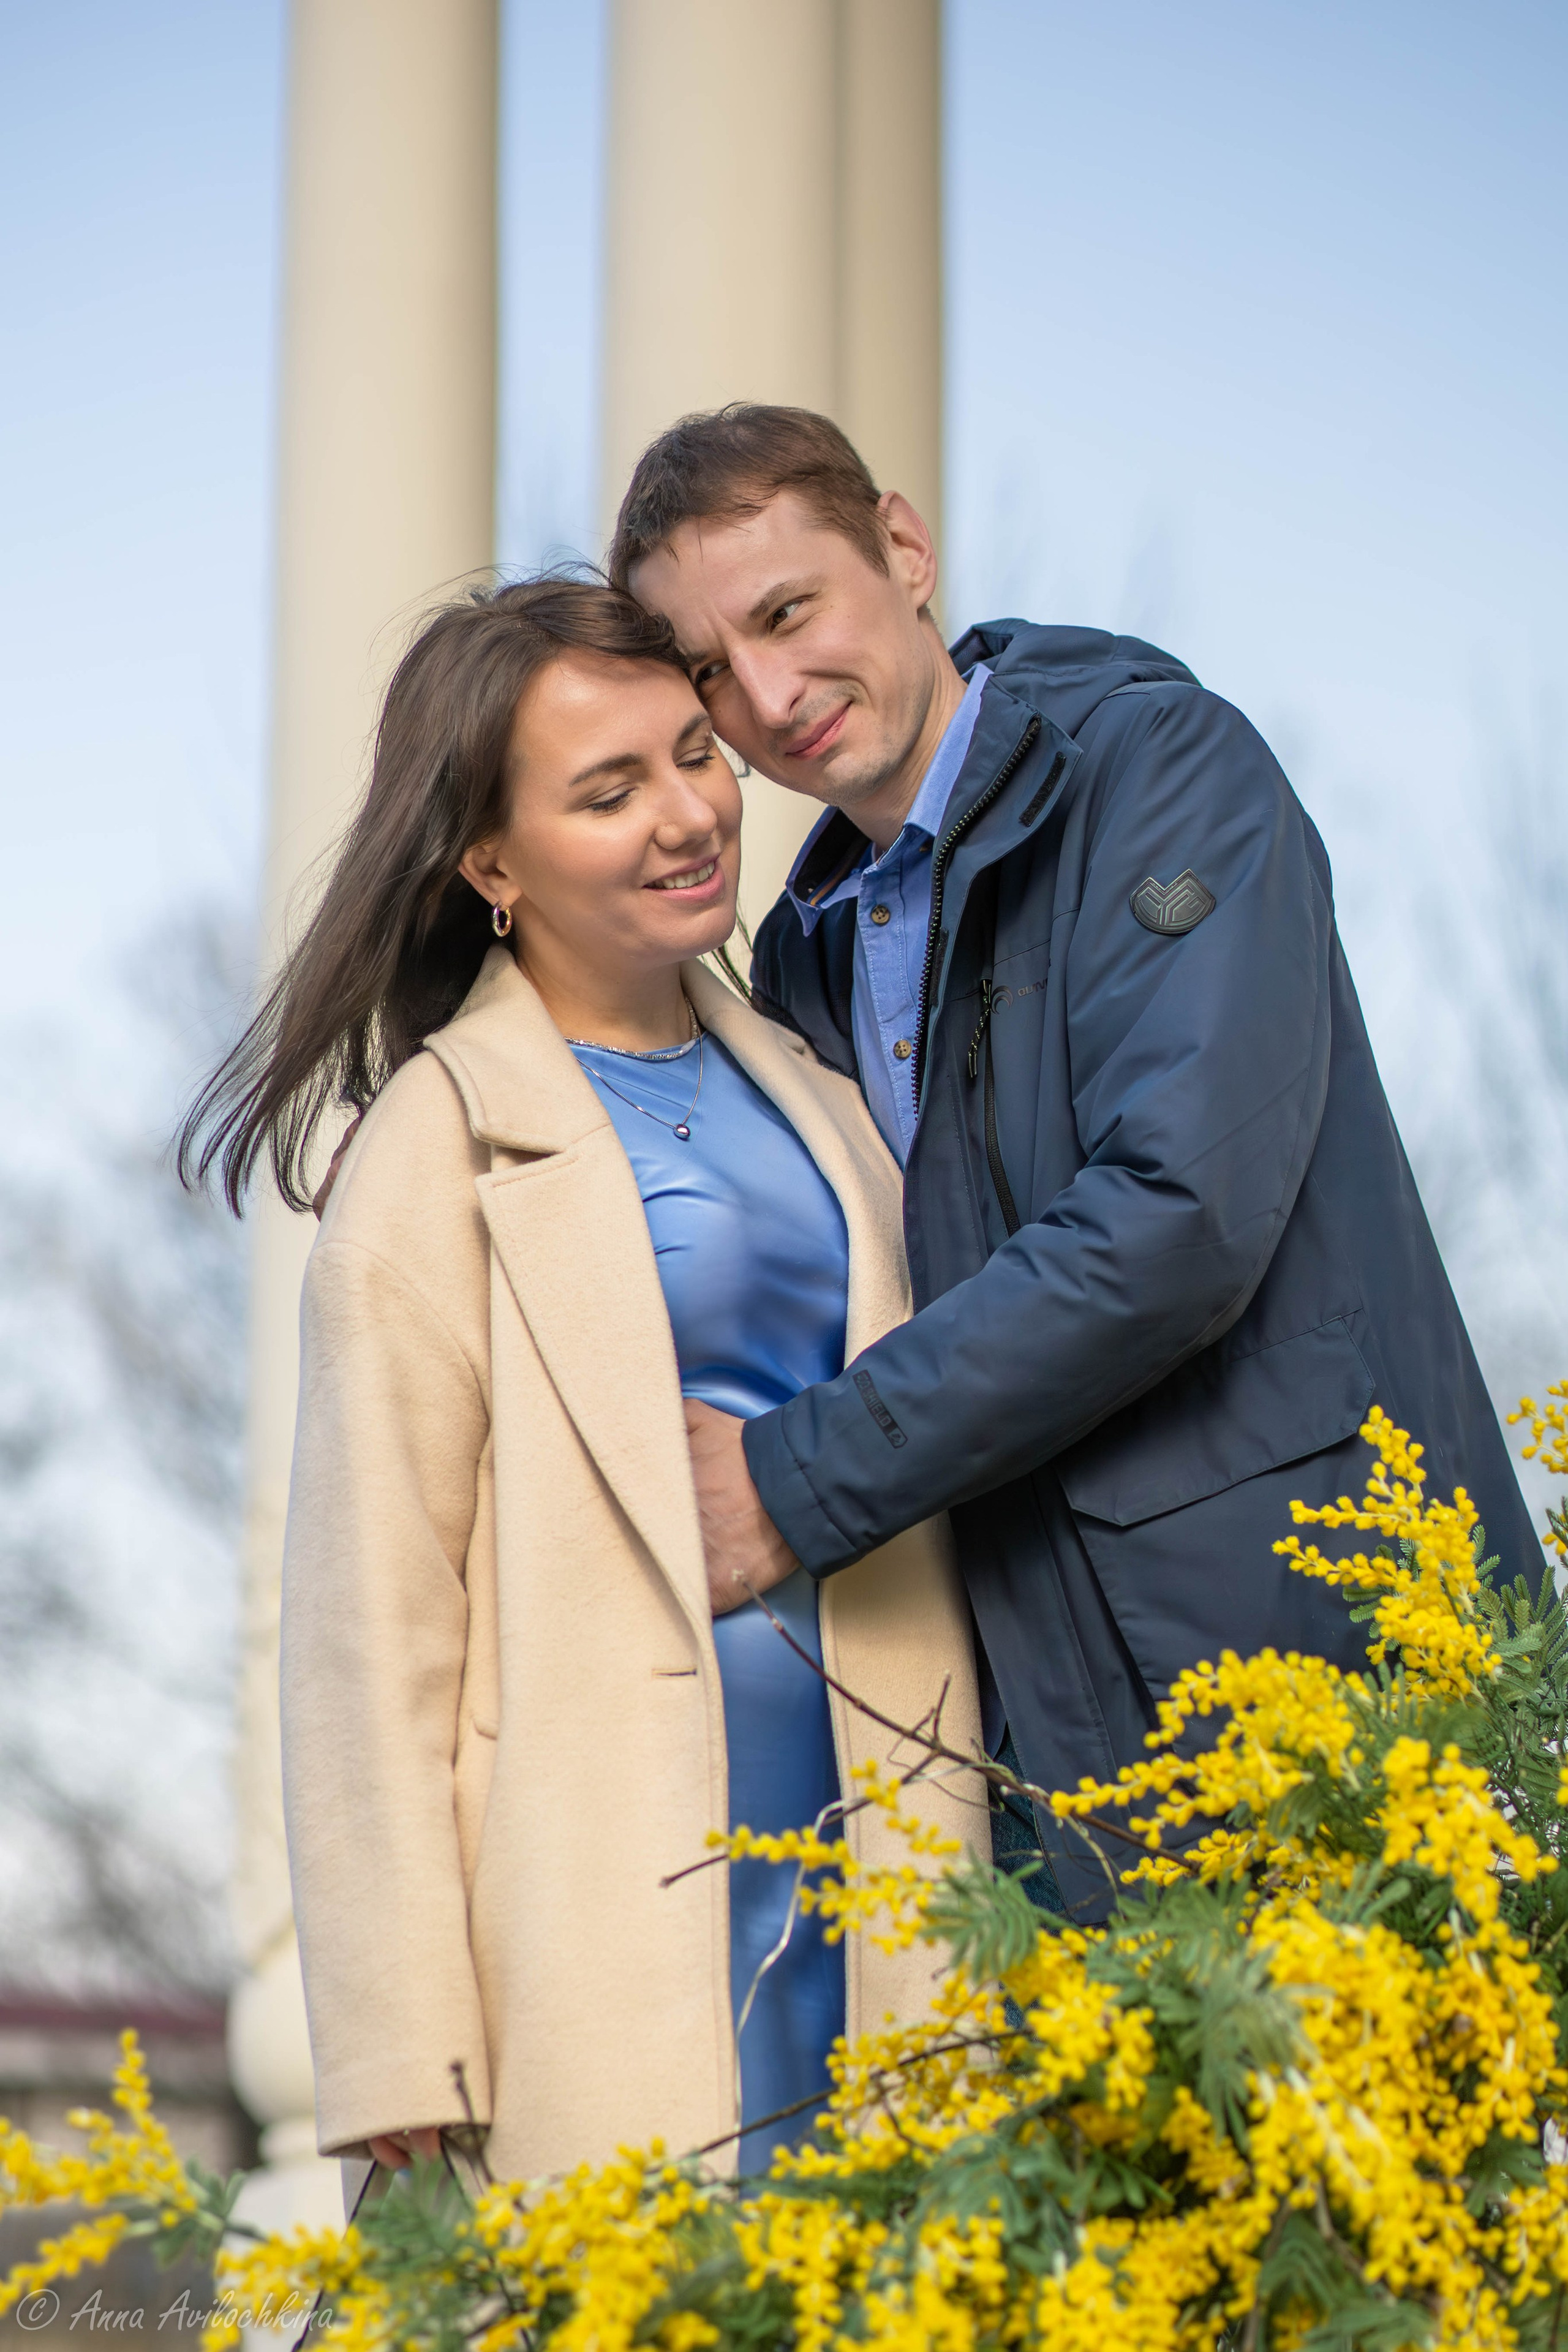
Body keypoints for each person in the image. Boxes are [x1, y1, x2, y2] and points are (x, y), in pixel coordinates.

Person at [611, 403, 1542, 1921]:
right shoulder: (801, 959)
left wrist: (791, 1479)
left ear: (904, 550)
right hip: (1035, 1734)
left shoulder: (1159, 770)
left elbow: (1177, 1213)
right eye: (710, 669)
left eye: (787, 613)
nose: (768, 698)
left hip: (1324, 1677)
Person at [178, 578, 985, 2184]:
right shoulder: (429, 1154)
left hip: (885, 1844)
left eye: (693, 755)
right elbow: (368, 1634)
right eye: (609, 792)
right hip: (593, 1895)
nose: (688, 815)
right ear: (490, 863)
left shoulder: (820, 1087)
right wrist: (399, 2034)